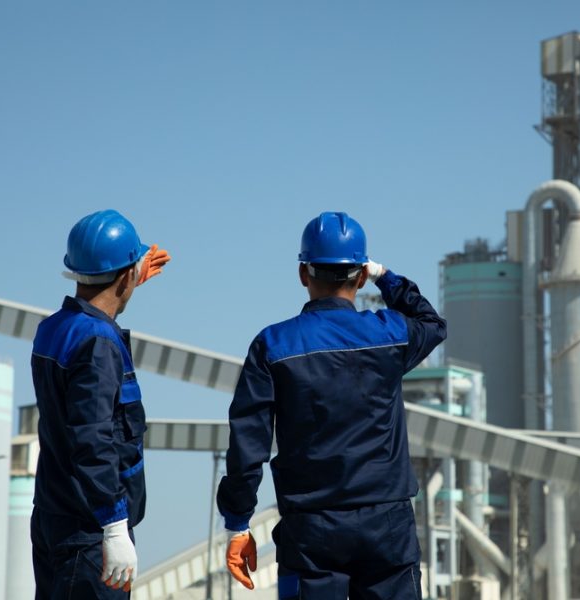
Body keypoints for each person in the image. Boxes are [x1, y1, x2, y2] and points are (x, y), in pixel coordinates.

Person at [216, 211, 446, 599]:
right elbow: (431, 322)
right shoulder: (389, 335)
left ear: (304, 274)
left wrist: (238, 524)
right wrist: (383, 275)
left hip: (311, 529)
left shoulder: (273, 345)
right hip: (386, 523)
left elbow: (247, 442)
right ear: (359, 276)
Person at [30, 209, 170, 599]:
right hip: (90, 533)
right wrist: (114, 525)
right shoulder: (98, 342)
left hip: (53, 517)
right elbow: (93, 440)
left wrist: (128, 279)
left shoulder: (54, 329)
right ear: (125, 276)